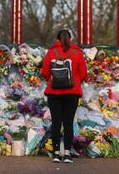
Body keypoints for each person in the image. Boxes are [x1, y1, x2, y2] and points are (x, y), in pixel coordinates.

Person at [41, 29, 87, 163]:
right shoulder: (78, 53)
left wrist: (55, 79)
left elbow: (45, 72)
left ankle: (56, 154)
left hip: (54, 93)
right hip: (72, 93)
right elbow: (84, 74)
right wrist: (75, 80)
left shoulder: (51, 52)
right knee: (68, 123)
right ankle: (67, 154)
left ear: (57, 39)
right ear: (71, 39)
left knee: (56, 123)